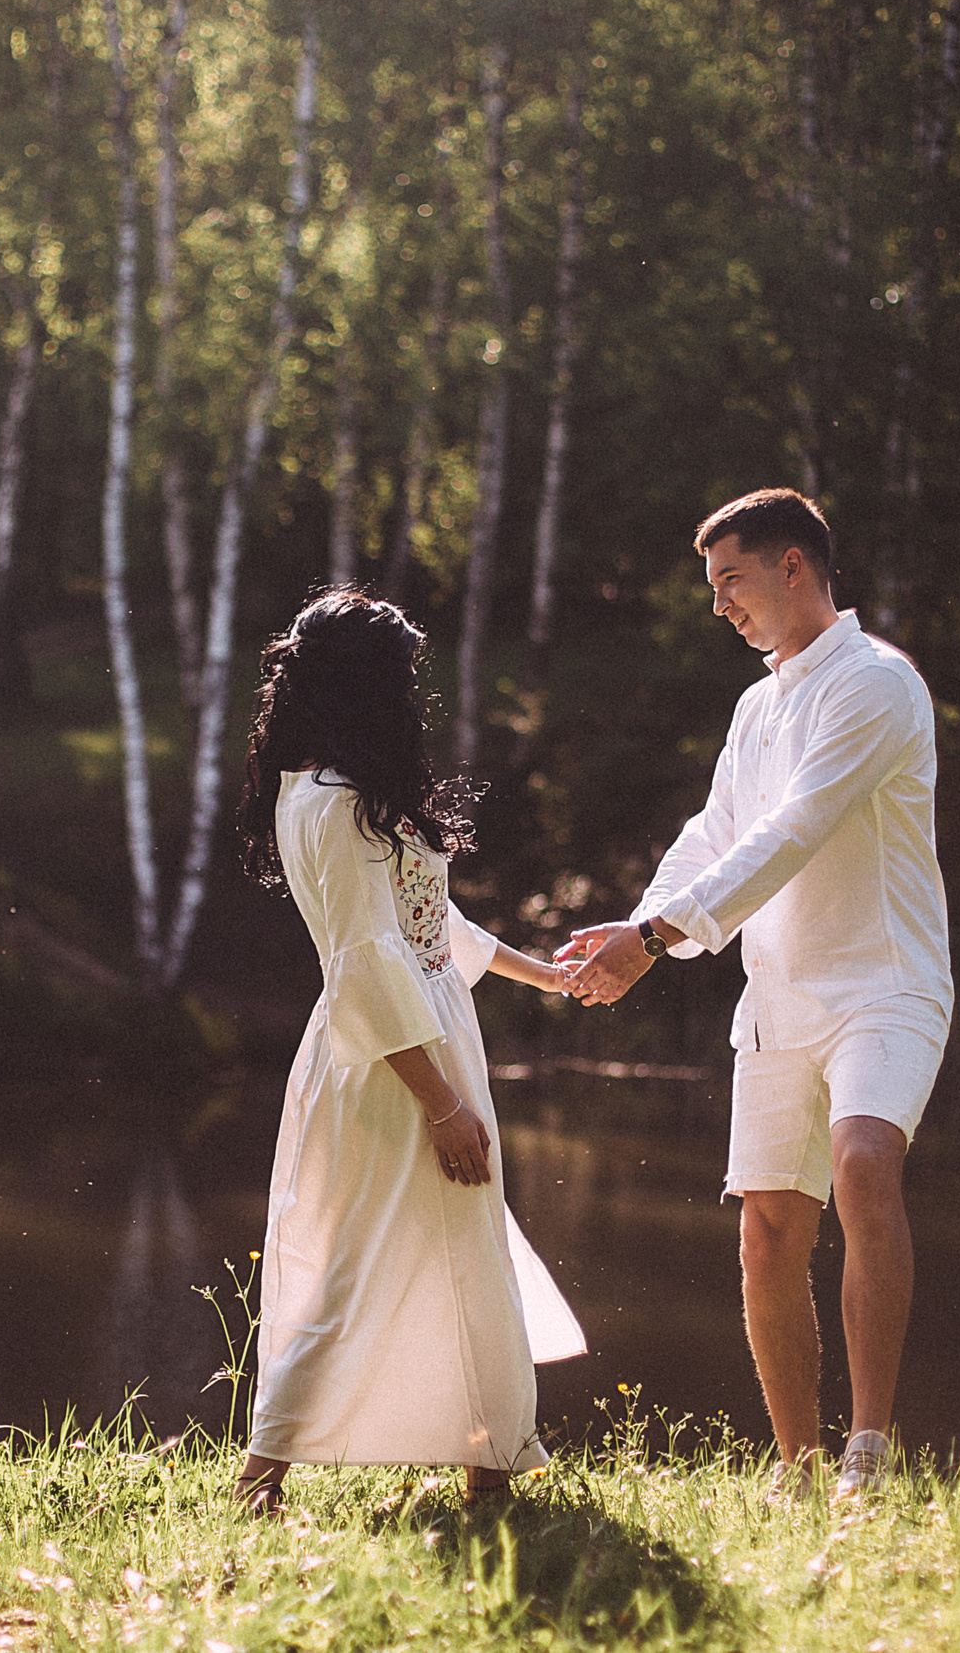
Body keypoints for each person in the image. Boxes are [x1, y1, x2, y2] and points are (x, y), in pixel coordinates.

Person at [560, 488, 951, 1500]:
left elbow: (793, 832)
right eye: (713, 586)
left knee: (864, 1164)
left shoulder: (875, 685)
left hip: (885, 981)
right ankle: (798, 1466)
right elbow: (718, 831)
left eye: (730, 580)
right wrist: (633, 922)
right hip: (778, 994)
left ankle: (866, 1449)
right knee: (768, 1230)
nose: (720, 604)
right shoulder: (755, 703)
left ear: (792, 567)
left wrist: (656, 939)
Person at [232, 588, 587, 1515]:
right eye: (401, 675)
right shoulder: (337, 805)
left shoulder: (326, 792)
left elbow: (432, 925)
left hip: (414, 1036)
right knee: (357, 1257)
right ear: (369, 684)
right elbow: (362, 962)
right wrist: (440, 1102)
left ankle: (489, 1463)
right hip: (394, 1057)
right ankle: (261, 1475)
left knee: (460, 1245)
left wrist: (542, 975)